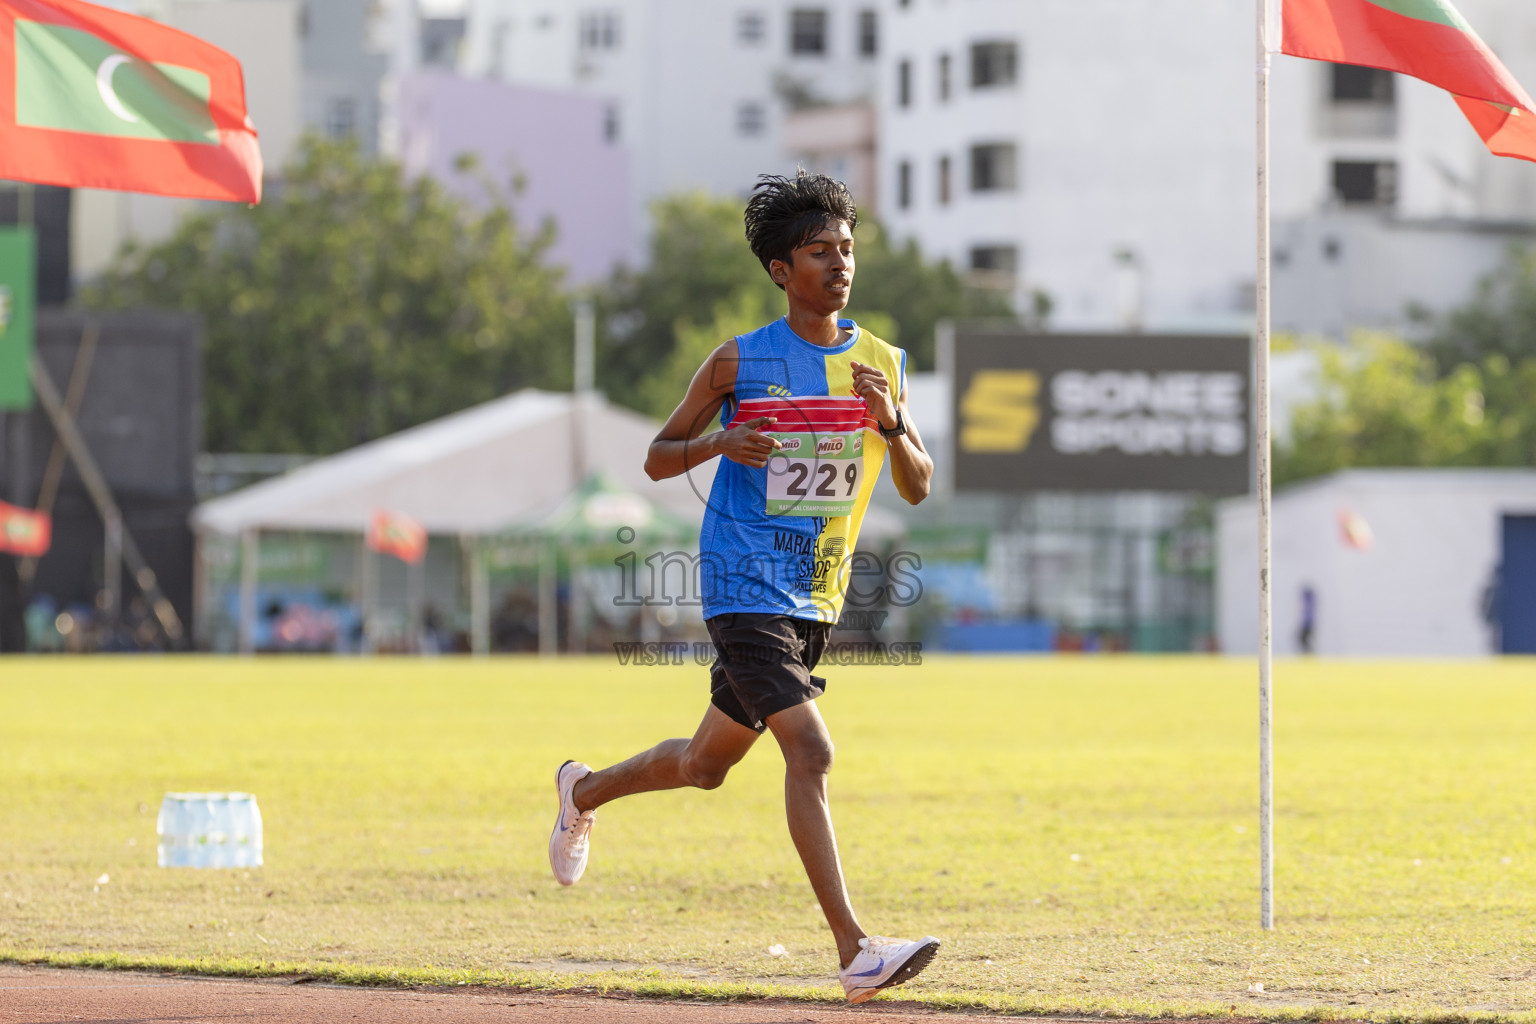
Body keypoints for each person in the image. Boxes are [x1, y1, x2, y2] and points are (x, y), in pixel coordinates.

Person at [548, 172, 939, 1002]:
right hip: (741, 582)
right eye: (818, 252)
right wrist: (724, 440)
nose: (838, 265)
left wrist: (892, 422)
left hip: (815, 593)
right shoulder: (740, 358)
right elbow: (658, 456)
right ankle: (855, 951)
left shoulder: (882, 364)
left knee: (704, 765)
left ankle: (581, 791)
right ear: (779, 270)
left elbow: (917, 485)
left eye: (846, 251)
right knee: (813, 749)